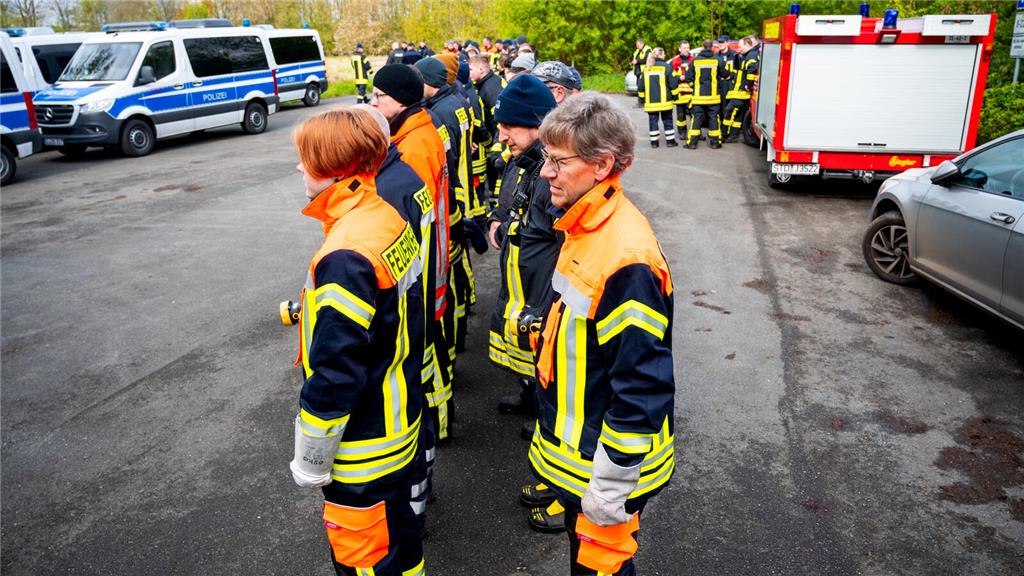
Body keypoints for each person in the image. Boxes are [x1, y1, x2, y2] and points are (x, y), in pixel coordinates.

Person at [532, 92, 676, 576]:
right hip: (583, 461)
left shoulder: (625, 257)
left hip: (604, 470)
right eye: (546, 158)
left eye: (558, 161)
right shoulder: (589, 225)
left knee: (601, 568)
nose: (545, 172)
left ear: (602, 165)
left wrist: (611, 486)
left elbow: (642, 385)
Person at [288, 107, 426, 576]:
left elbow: (336, 371)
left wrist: (311, 456)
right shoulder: (384, 216)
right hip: (399, 418)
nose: (299, 168)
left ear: (334, 167)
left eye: (307, 159)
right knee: (401, 544)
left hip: (364, 446)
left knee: (365, 559)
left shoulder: (346, 253)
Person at [483, 74, 563, 533]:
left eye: (509, 127)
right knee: (542, 387)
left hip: (545, 297)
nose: (502, 136)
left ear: (535, 124)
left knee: (558, 402)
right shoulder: (526, 161)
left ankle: (562, 492)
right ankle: (554, 478)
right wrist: (498, 219)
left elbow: (564, 243)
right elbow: (509, 198)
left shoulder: (551, 172)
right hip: (527, 294)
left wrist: (548, 304)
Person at [370, 64, 453, 456]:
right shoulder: (415, 130)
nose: (373, 103)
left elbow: (408, 218)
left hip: (420, 269)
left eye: (379, 97)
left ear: (400, 100)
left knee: (425, 351)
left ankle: (436, 429)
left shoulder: (413, 146)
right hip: (429, 261)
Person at [684, 39, 728, 149]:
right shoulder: (718, 60)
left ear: (703, 47)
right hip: (713, 97)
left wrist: (694, 86)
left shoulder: (694, 61)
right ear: (712, 47)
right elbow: (726, 74)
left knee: (696, 118)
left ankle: (692, 143)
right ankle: (715, 143)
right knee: (713, 118)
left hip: (698, 97)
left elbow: (688, 77)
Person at [723, 35, 760, 143]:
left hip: (742, 92)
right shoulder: (747, 55)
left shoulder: (751, 56)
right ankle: (733, 136)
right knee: (738, 115)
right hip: (740, 91)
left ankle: (724, 134)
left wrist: (747, 85)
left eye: (740, 46)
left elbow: (751, 71)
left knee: (729, 110)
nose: (739, 49)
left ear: (747, 45)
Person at [639, 48, 677, 148]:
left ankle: (654, 143)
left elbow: (641, 87)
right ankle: (670, 141)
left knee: (653, 122)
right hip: (665, 102)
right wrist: (675, 96)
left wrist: (642, 99)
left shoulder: (647, 68)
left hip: (651, 102)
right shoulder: (667, 67)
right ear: (660, 55)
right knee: (668, 121)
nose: (665, 55)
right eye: (664, 54)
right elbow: (673, 84)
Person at [670, 41, 693, 139]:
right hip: (680, 94)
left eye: (688, 47)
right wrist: (679, 78)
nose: (686, 50)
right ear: (680, 49)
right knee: (681, 115)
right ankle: (682, 132)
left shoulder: (693, 60)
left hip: (692, 93)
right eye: (684, 48)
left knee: (694, 115)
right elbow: (670, 77)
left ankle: (696, 133)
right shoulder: (674, 61)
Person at [630, 39, 652, 108]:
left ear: (642, 44)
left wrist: (637, 61)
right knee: (639, 87)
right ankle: (641, 102)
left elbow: (647, 60)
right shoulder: (638, 51)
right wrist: (632, 62)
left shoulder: (647, 50)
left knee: (642, 87)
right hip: (638, 72)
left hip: (644, 71)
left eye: (638, 45)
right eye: (636, 45)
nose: (637, 46)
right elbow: (635, 58)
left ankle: (642, 102)